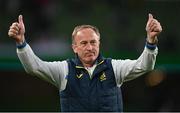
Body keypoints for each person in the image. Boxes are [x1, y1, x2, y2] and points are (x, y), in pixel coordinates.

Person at [8, 13, 162, 112]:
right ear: (74, 47)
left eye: (93, 42)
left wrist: (151, 41)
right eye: (83, 43)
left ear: (99, 44)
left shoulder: (114, 67)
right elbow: (34, 67)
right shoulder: (64, 70)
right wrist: (21, 43)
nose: (90, 47)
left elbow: (145, 65)